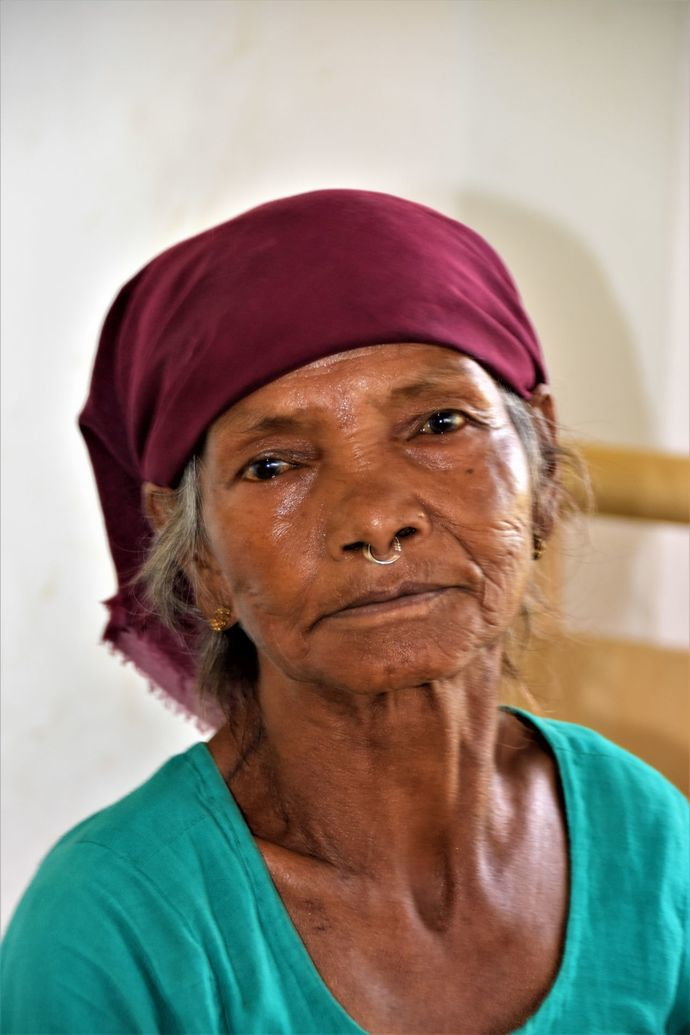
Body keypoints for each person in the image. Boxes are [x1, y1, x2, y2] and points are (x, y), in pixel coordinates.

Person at [1, 190, 687, 1035]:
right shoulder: (116, 929)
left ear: (540, 469)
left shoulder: (645, 835)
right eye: (275, 464)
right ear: (202, 558)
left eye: (440, 423)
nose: (375, 518)